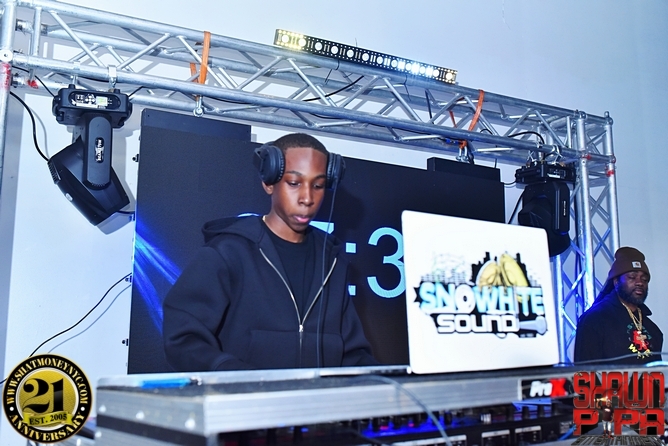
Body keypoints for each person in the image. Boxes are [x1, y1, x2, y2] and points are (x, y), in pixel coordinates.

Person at [162, 133, 377, 371]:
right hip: (245, 395)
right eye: (294, 183)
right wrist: (235, 376)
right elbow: (183, 338)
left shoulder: (333, 263)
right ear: (269, 182)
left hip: (316, 397)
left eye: (318, 185)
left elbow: (353, 355)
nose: (307, 198)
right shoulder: (228, 252)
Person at [574, 247, 663, 364]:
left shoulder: (653, 330)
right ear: (616, 282)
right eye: (632, 277)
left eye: (644, 279)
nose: (640, 282)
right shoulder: (595, 319)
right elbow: (584, 371)